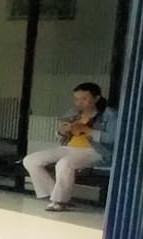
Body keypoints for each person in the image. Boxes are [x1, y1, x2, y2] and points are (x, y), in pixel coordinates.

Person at [22, 82, 111, 212]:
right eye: (76, 99)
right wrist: (61, 132)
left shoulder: (108, 115)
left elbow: (114, 138)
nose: (79, 103)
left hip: (94, 151)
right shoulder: (74, 113)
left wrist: (88, 131)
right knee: (30, 160)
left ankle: (59, 201)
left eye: (84, 99)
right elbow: (61, 133)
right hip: (68, 147)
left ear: (96, 98)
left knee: (64, 163)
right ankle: (54, 194)